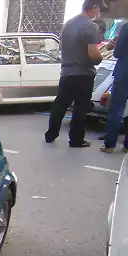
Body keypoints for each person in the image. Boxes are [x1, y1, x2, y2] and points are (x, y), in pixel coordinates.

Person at [45, 0, 104, 147]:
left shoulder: (68, 24)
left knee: (60, 105)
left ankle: (51, 134)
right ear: (94, 8)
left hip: (66, 72)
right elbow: (92, 53)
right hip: (83, 74)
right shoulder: (91, 26)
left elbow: (63, 48)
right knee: (80, 108)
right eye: (99, 9)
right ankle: (76, 139)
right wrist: (100, 57)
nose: (99, 12)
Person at [101, 21, 128, 153]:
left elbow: (117, 53)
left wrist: (114, 45)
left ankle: (110, 144)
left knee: (117, 108)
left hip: (124, 72)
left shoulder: (126, 26)